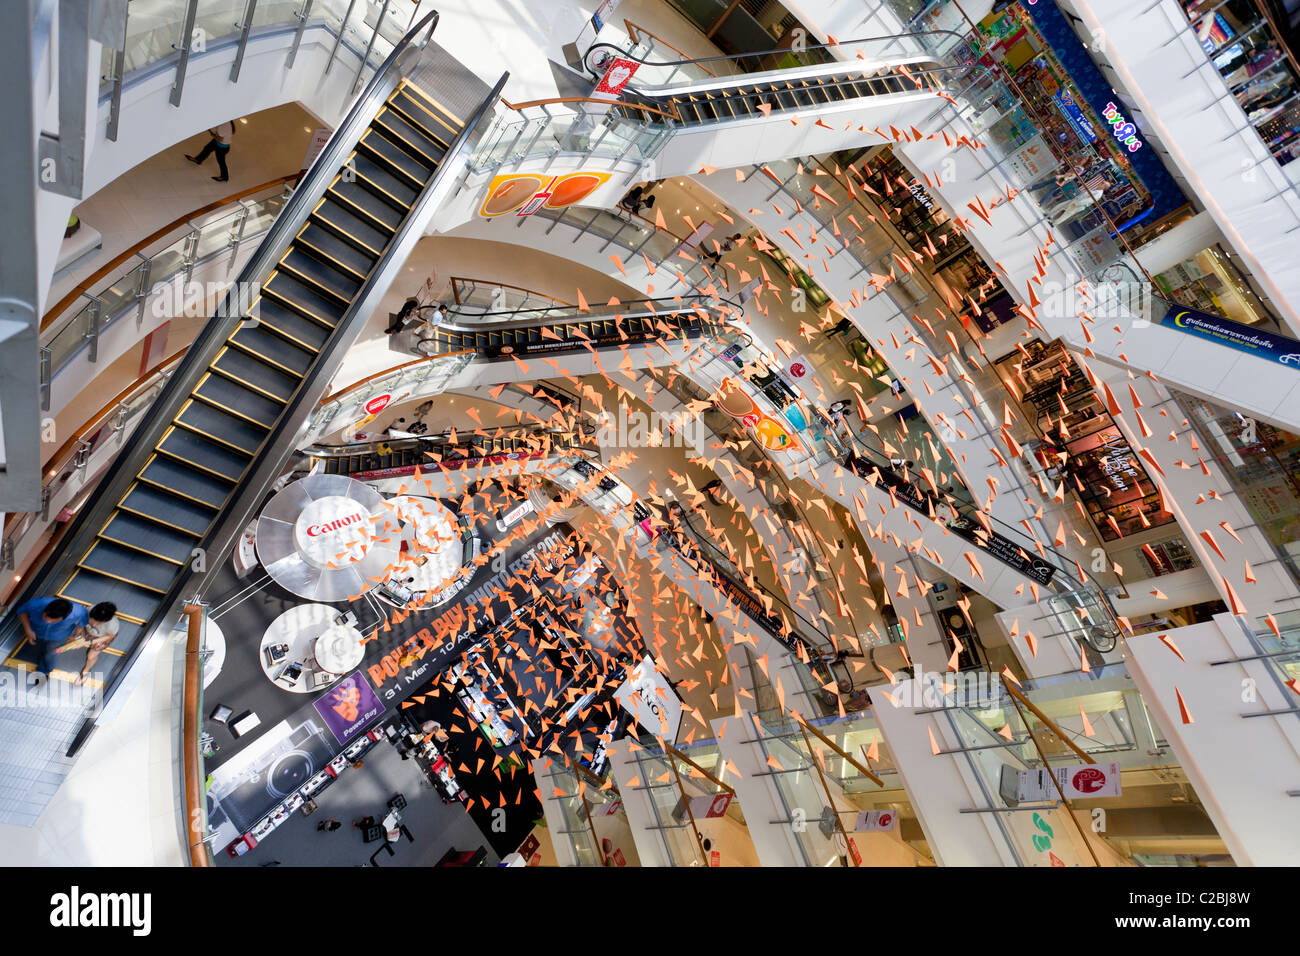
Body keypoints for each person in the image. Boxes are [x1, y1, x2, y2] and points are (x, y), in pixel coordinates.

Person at [13, 595, 87, 686]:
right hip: (37, 631)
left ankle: (43, 671)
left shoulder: (79, 612)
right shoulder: (35, 603)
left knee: (51, 655)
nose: (48, 621)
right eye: (45, 617)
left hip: (58, 637)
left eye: (53, 621)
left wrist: (75, 637)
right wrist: (28, 629)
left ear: (65, 617)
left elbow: (81, 625)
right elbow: (21, 612)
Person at [54, 601, 118, 686]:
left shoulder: (113, 625)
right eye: (93, 620)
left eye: (98, 623)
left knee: (91, 656)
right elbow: (81, 623)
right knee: (72, 638)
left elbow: (109, 636)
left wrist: (87, 642)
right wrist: (77, 635)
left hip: (102, 636)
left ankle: (86, 671)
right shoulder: (88, 610)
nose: (94, 624)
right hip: (87, 631)